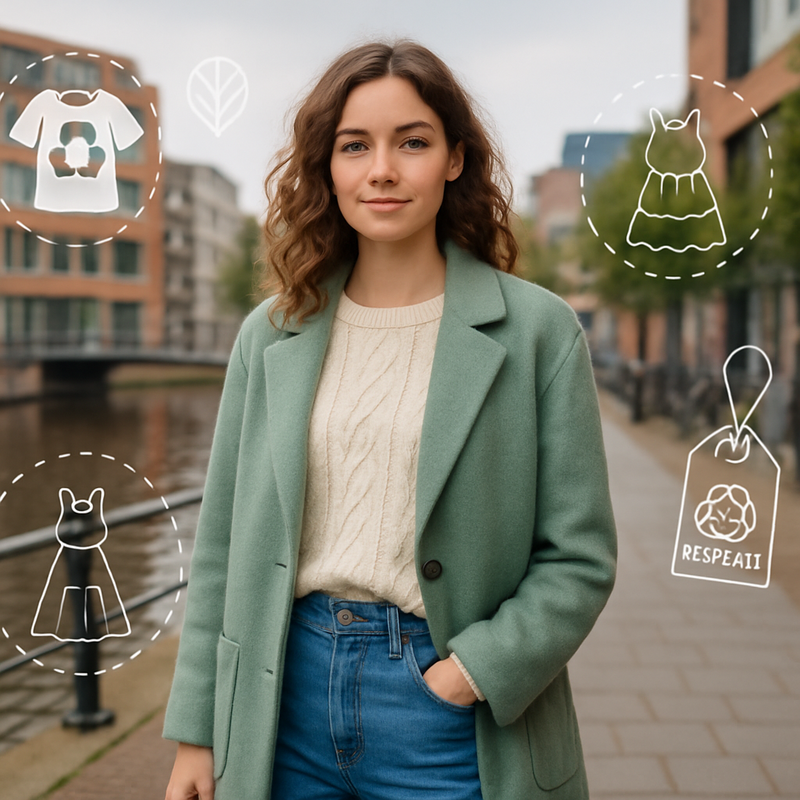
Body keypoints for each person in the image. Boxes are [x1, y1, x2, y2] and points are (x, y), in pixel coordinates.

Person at [163, 40, 617, 800]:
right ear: (327, 167)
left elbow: (580, 556)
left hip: (446, 715)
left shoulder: (538, 332)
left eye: (411, 141)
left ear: (453, 159)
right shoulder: (271, 333)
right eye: (354, 146)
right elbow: (220, 551)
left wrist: (468, 676)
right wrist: (197, 731)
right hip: (281, 698)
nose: (382, 168)